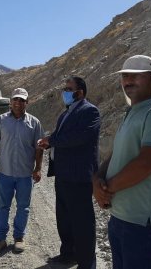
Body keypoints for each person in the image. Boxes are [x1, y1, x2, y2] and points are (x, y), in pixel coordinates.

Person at [93, 55, 151, 269]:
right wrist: (97, 181)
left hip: (144, 222)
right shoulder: (132, 112)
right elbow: (115, 155)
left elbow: (145, 164)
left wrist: (108, 189)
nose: (128, 81)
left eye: (136, 75)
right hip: (120, 217)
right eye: (124, 76)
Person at [38, 76, 100, 269]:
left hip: (79, 176)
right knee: (64, 218)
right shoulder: (65, 114)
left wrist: (53, 141)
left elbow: (79, 137)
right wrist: (48, 140)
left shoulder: (90, 111)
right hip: (63, 175)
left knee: (82, 222)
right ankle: (68, 255)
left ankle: (86, 263)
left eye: (68, 88)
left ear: (79, 92)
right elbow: (59, 135)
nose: (64, 92)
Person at [0, 87, 44, 254]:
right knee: (2, 206)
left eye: (22, 100)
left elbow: (39, 148)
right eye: (15, 99)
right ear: (10, 102)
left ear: (27, 102)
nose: (18, 103)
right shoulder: (1, 120)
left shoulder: (34, 123)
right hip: (5, 172)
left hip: (25, 175)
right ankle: (0, 239)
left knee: (23, 207)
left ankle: (19, 238)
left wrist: (38, 168)